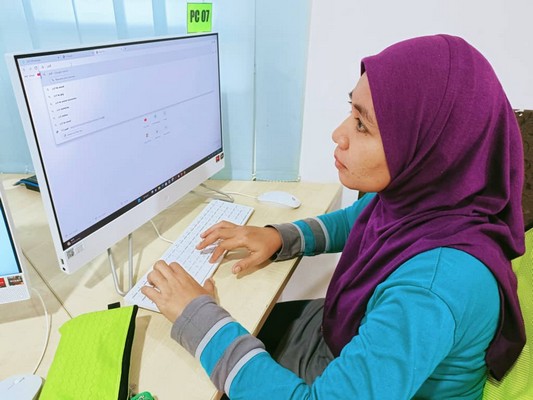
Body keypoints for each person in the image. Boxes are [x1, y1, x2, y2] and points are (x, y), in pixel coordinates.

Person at [142, 34, 526, 399]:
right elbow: (357, 219)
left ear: (432, 148)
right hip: (341, 339)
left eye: (362, 125)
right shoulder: (426, 202)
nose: (338, 134)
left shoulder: (431, 290)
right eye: (351, 110)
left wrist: (199, 319)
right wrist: (279, 236)